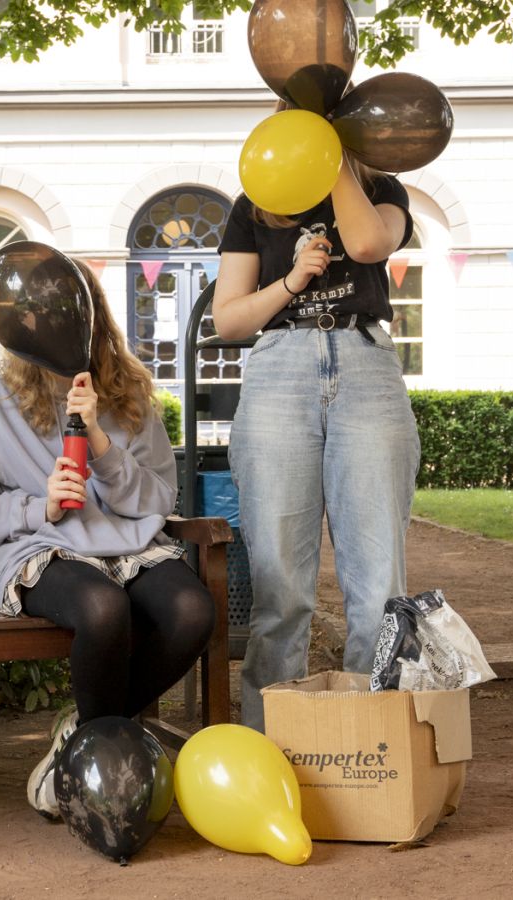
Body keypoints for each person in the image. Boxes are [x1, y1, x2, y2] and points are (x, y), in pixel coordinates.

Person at [0, 259, 214, 819]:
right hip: (43, 549)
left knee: (192, 611)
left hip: (131, 545)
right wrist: (37, 504)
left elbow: (155, 501)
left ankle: (83, 738)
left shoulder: (130, 392)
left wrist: (98, 440)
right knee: (101, 607)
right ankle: (100, 763)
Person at [213, 147, 419, 732]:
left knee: (379, 587)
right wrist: (292, 278)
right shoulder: (254, 203)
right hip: (280, 365)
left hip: (365, 363)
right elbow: (229, 320)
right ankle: (272, 748)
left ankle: (374, 754)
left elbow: (368, 247)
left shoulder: (383, 189)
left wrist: (335, 166)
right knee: (279, 587)